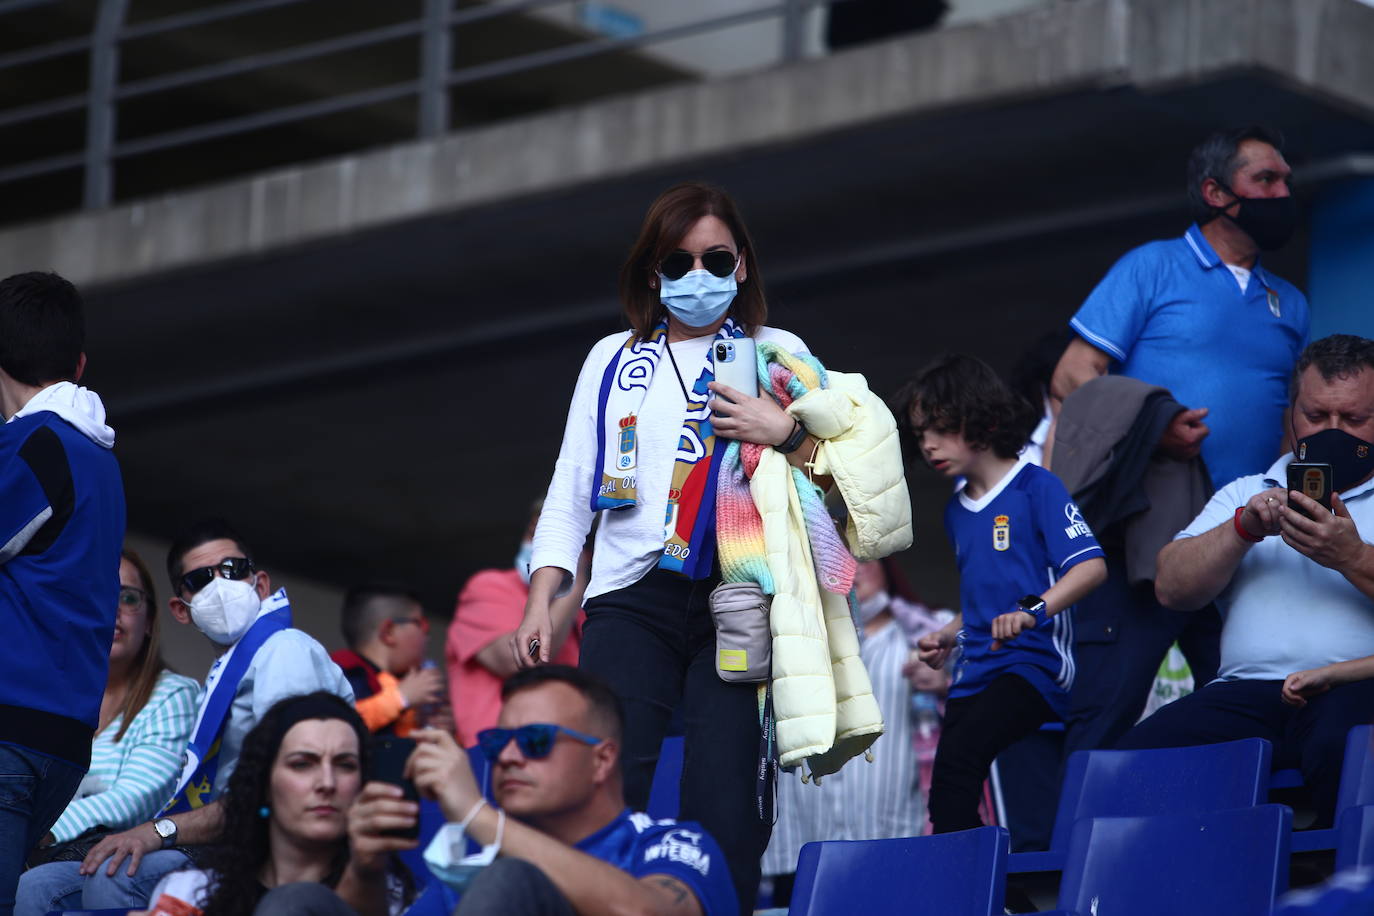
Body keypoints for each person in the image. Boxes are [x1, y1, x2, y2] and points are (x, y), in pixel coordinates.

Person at [510, 182, 824, 913]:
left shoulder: (777, 352)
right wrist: (541, 597)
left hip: (736, 598)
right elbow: (571, 486)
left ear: (742, 264)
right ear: (654, 273)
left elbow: (841, 479)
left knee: (725, 806)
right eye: (677, 263)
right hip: (630, 598)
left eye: (715, 259)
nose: (697, 276)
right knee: (605, 790)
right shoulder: (612, 360)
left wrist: (786, 432)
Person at [1049, 126, 1309, 755]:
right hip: (1148, 528)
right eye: (1265, 181)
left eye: (1286, 182)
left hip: (1250, 534)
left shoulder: (1290, 302)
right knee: (1107, 707)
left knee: (1245, 711)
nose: (1283, 193)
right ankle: (1072, 851)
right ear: (1215, 191)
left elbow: (1292, 421)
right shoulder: (1152, 266)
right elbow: (1072, 375)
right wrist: (1152, 425)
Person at [1119, 335, 1374, 829]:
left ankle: (1343, 893)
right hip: (1246, 694)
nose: (1332, 431)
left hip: (1356, 689)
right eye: (1316, 417)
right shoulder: (1246, 490)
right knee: (1133, 765)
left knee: (1345, 748)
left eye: (1354, 420)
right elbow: (1171, 587)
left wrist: (1351, 555)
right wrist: (1242, 529)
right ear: (1291, 414)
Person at [73, 519, 354, 910]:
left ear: (260, 585)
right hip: (224, 838)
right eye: (202, 579)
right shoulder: (224, 676)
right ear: (180, 609)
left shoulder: (284, 651)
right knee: (40, 886)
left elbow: (282, 791)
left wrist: (160, 830)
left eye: (233, 570)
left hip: (268, 849)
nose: (221, 585)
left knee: (116, 875)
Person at [340, 665, 736, 916]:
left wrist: (479, 816)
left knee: (511, 879)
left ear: (601, 760)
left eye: (535, 739)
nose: (508, 757)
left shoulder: (670, 844)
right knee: (300, 903)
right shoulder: (479, 862)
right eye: (498, 741)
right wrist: (365, 869)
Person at [903, 354, 1107, 835]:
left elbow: (1091, 567)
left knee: (970, 759)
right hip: (976, 670)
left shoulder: (1038, 487)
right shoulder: (956, 511)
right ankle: (983, 891)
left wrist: (1032, 611)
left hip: (1034, 667)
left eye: (940, 427)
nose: (929, 444)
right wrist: (949, 633)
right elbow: (982, 599)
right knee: (949, 793)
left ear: (983, 418)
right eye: (920, 434)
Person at [0, 270, 126, 916]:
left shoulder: (32, 445)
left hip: (8, 730)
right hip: (62, 740)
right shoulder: (102, 461)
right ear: (79, 364)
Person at [16, 548, 199, 916]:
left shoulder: (174, 694)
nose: (112, 609)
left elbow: (136, 797)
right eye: (99, 593)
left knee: (35, 887)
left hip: (126, 855)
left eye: (128, 598)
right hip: (48, 853)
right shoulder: (55, 695)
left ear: (149, 622)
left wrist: (39, 831)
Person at [762, 557, 948, 907]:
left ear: (889, 568)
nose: (852, 570)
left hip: (894, 832)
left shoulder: (928, 636)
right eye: (835, 560)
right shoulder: (789, 638)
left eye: (862, 560)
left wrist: (945, 686)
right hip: (804, 835)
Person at [142, 692, 412, 916]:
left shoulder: (388, 898)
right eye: (302, 764)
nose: (327, 782)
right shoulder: (190, 894)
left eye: (345, 765)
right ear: (265, 785)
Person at [446, 503, 587, 747]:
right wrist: (575, 582)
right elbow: (520, 658)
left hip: (566, 757)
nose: (537, 543)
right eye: (534, 530)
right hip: (496, 753)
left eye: (550, 535)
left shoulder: (585, 610)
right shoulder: (488, 586)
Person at [332, 583, 447, 737]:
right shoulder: (344, 670)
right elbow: (337, 726)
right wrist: (400, 698)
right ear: (389, 632)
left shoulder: (405, 682)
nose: (427, 636)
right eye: (421, 624)